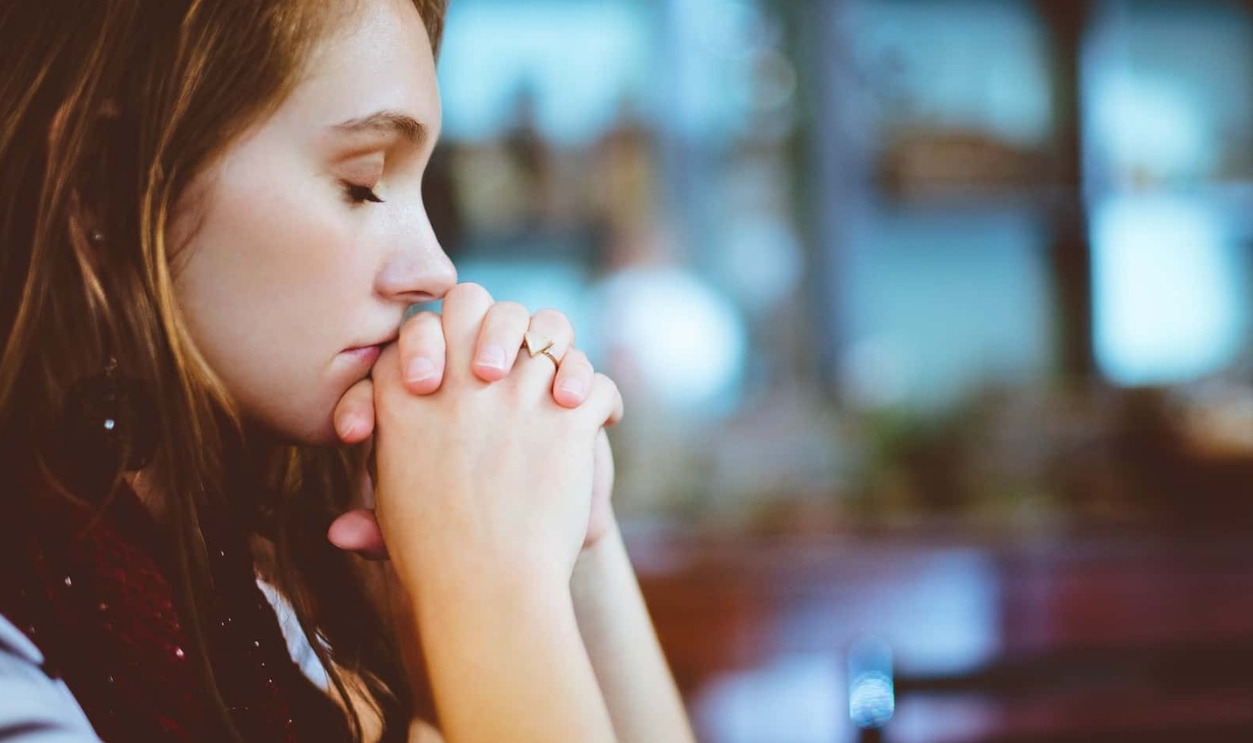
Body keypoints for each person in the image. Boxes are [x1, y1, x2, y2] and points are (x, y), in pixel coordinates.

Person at [0, 1, 697, 742]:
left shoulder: (274, 577)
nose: (435, 270)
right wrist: (488, 581)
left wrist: (570, 532)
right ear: (106, 183)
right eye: (361, 183)